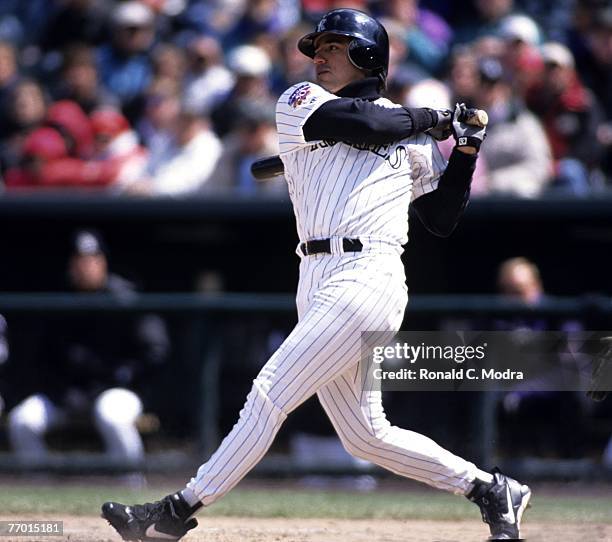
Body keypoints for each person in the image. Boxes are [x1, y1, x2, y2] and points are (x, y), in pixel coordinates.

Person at [101, 10, 531, 541]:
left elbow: (440, 219)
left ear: (367, 56)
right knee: (366, 436)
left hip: (369, 274)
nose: (318, 57)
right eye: (318, 48)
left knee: (269, 393)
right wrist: (439, 119)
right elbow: (365, 124)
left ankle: (174, 510)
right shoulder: (301, 102)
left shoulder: (413, 131)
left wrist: (464, 148)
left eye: (333, 47)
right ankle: (491, 490)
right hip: (316, 273)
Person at [8, 230, 170, 465]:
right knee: (23, 421)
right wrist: (58, 387)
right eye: (79, 260)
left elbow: (156, 350)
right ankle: (40, 487)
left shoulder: (125, 299)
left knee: (111, 415)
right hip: (67, 395)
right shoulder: (60, 300)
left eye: (92, 258)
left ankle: (130, 488)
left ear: (103, 261)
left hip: (116, 389)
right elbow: (40, 357)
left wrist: (125, 374)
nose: (85, 266)